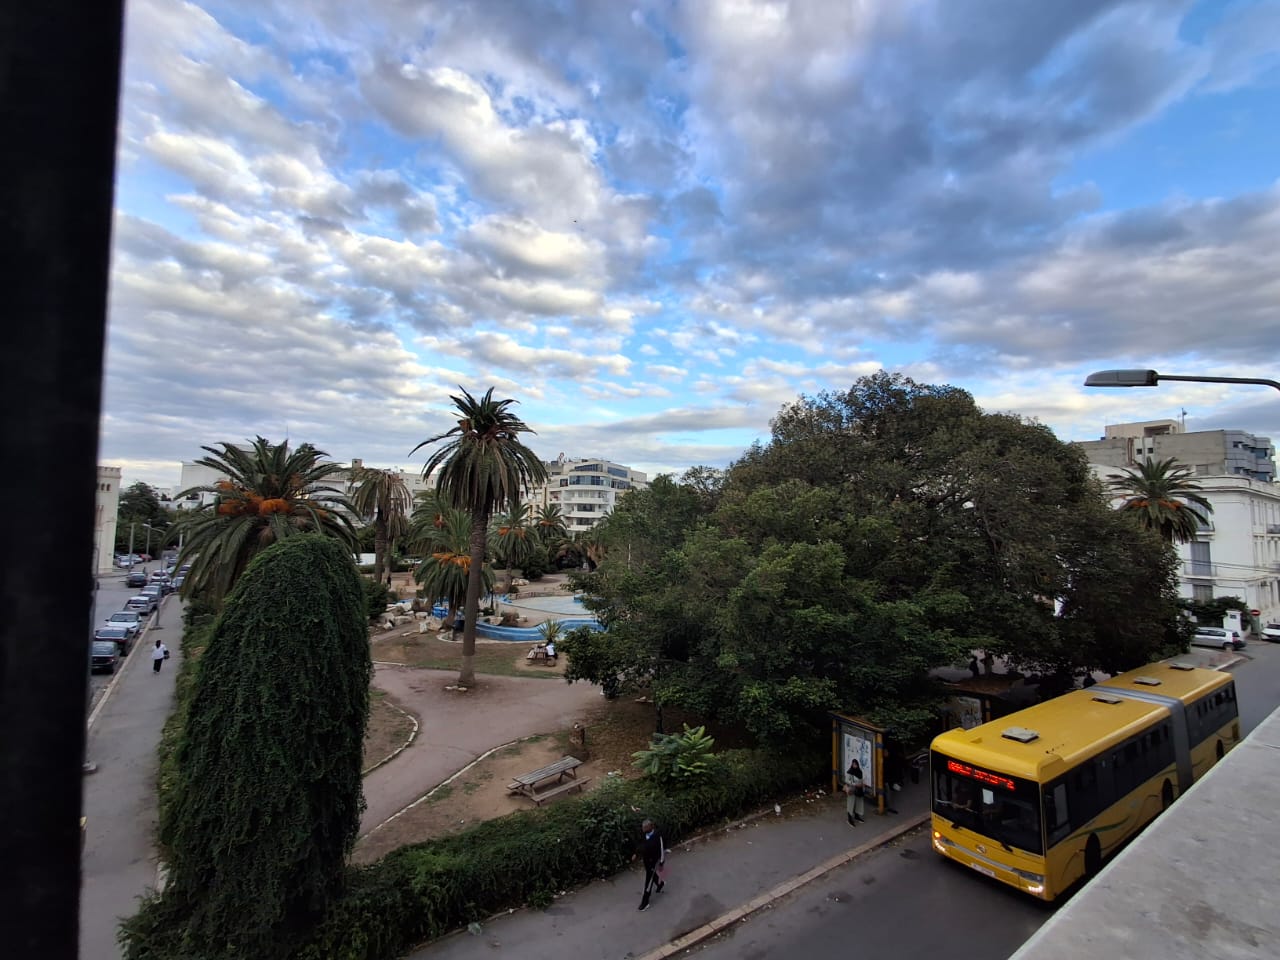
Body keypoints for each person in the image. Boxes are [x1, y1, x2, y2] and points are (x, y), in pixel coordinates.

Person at [636, 818, 665, 911]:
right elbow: (641, 845)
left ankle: (645, 902)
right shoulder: (644, 835)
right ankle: (660, 884)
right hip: (646, 861)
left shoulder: (657, 836)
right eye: (643, 828)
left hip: (653, 861)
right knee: (651, 875)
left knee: (648, 882)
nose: (643, 829)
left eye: (645, 828)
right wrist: (636, 853)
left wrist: (661, 862)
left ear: (651, 827)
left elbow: (661, 849)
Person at [845, 759, 866, 825]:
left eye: (855, 764)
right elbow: (847, 780)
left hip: (859, 789)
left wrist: (862, 785)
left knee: (858, 803)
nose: (854, 766)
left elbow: (861, 780)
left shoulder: (860, 771)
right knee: (851, 804)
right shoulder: (850, 771)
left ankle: (857, 816)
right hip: (852, 789)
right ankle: (849, 819)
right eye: (853, 764)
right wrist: (855, 784)